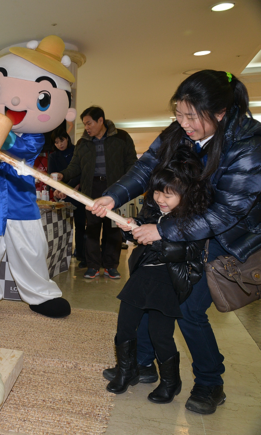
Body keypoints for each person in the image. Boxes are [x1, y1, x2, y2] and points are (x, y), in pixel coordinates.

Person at [92, 70, 261, 414]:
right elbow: (146, 168)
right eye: (178, 114)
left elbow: (227, 212)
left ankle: (210, 383)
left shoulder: (249, 145)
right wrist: (114, 196)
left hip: (225, 237)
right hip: (178, 226)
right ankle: (142, 364)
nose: (183, 123)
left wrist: (163, 230)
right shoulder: (178, 132)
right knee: (146, 291)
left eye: (191, 116)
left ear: (220, 113)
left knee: (188, 308)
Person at [0, 35, 76, 319]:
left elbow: (22, 149)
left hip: (20, 201)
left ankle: (40, 295)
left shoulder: (35, 137)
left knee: (31, 250)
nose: (15, 100)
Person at [106, 146, 210, 405]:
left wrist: (158, 239)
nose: (160, 198)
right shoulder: (153, 210)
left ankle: (170, 381)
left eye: (168, 194)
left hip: (168, 280)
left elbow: (190, 251)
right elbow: (141, 233)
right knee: (125, 325)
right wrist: (131, 228)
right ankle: (127, 370)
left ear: (186, 194)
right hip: (143, 275)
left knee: (160, 334)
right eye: (157, 191)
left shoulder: (195, 219)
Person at [55, 106, 137, 279]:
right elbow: (74, 167)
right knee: (92, 228)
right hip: (91, 190)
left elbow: (131, 163)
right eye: (84, 124)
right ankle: (92, 266)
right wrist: (63, 175)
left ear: (101, 121)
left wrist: (127, 187)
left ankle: (110, 266)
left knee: (113, 229)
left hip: (115, 190)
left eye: (89, 123)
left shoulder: (121, 137)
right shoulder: (83, 143)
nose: (86, 127)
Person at [47, 127, 87, 268]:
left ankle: (82, 255)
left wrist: (73, 187)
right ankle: (62, 256)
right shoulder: (53, 156)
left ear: (67, 139)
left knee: (80, 226)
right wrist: (56, 190)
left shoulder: (77, 151)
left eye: (62, 140)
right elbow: (52, 176)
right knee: (63, 226)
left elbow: (81, 172)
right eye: (56, 142)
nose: (60, 144)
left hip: (79, 193)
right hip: (62, 196)